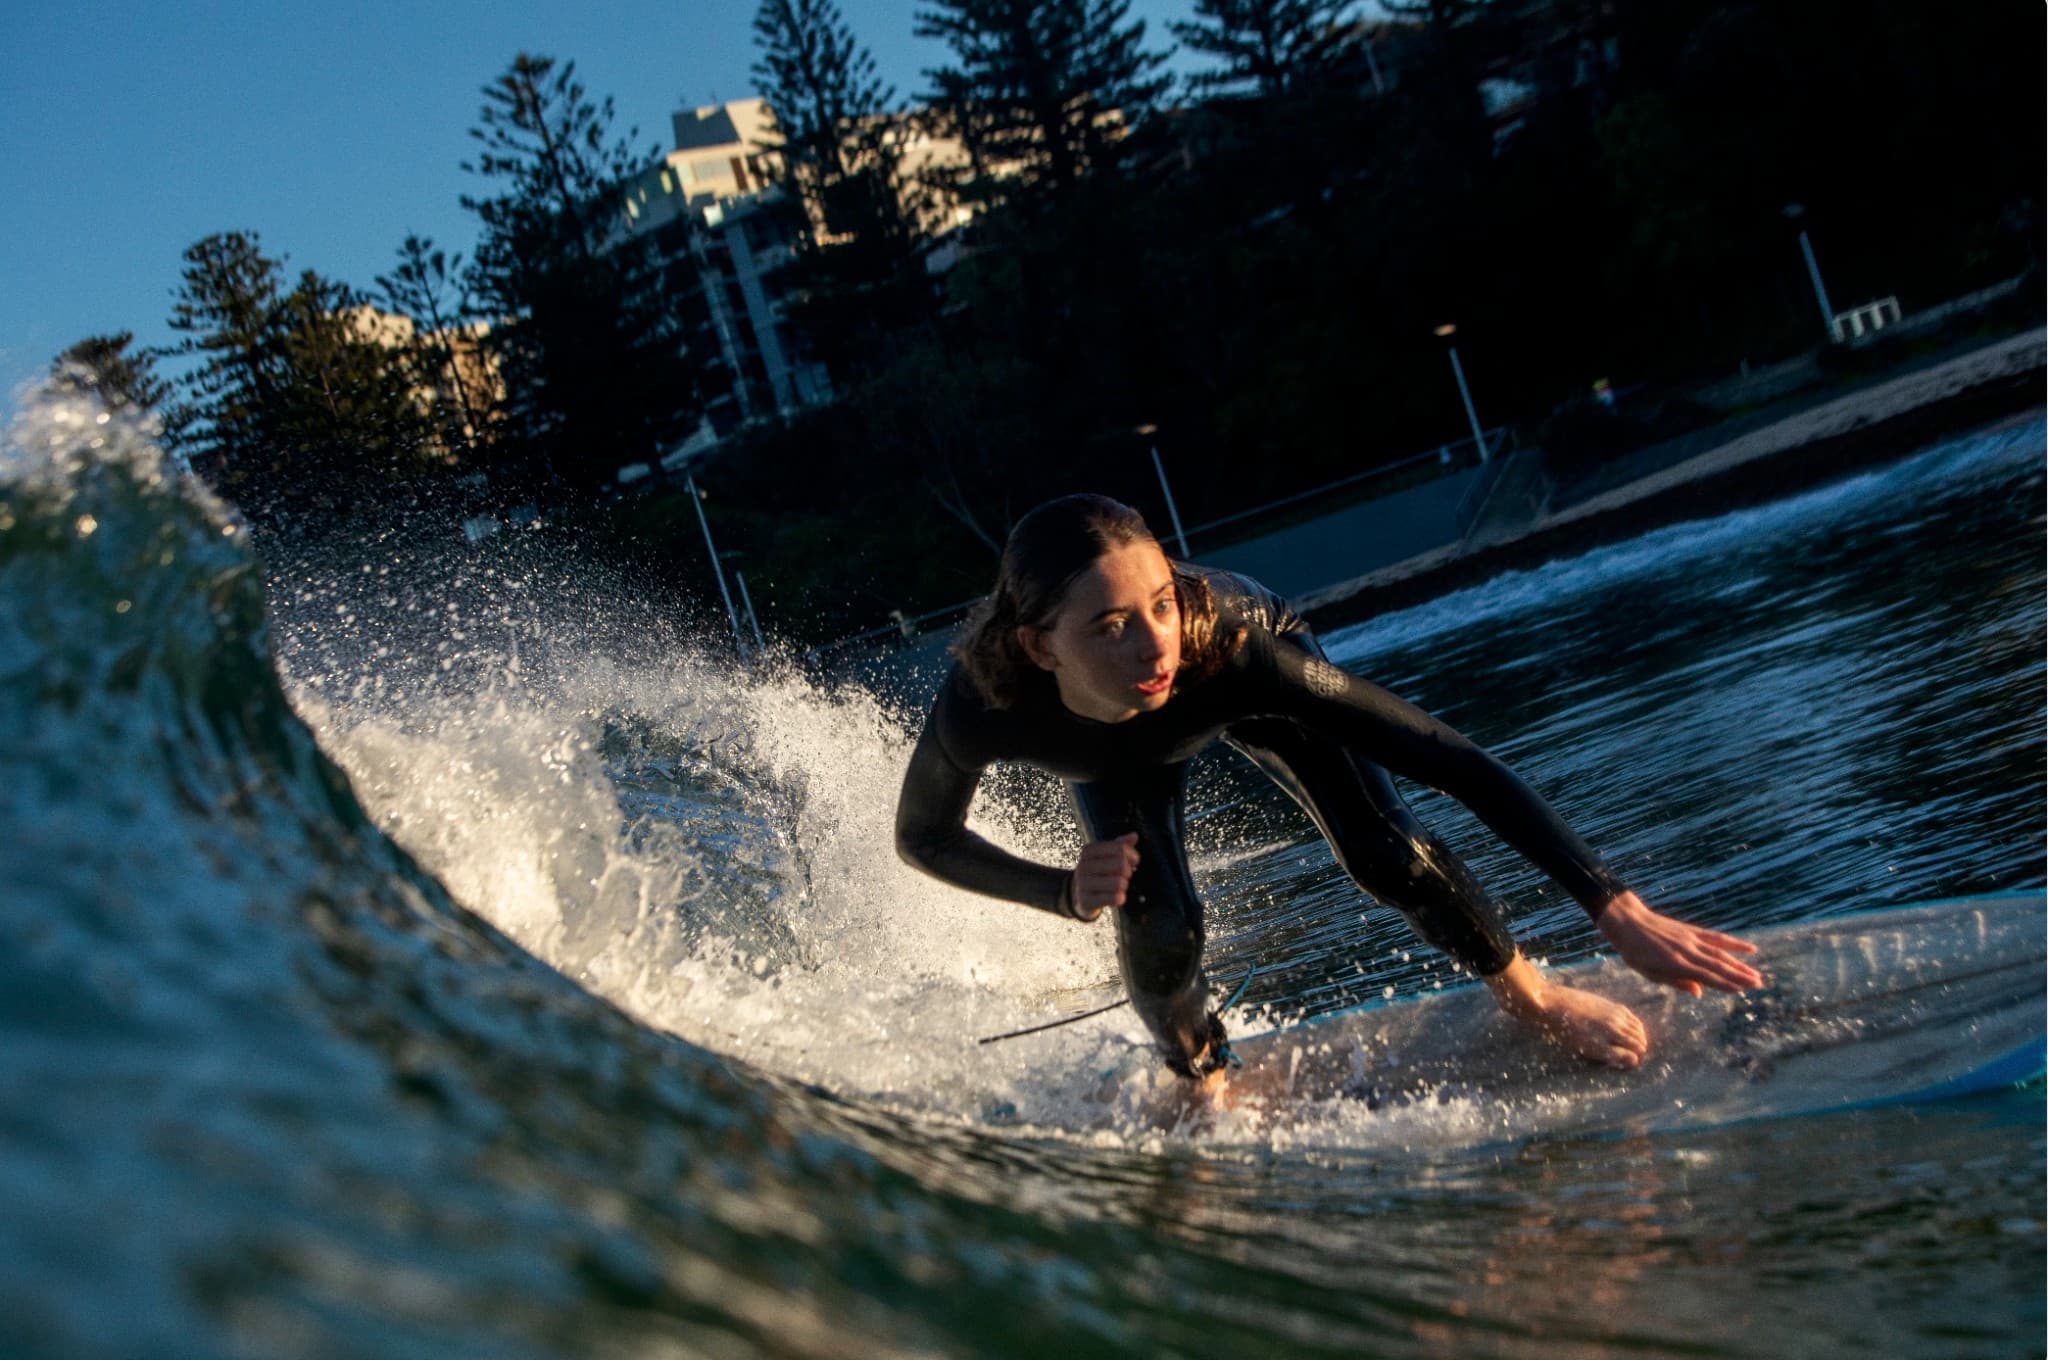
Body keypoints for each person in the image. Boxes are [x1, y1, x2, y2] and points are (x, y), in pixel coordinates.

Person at [895, 494, 1760, 1088]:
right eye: (1111, 627)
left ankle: (1531, 996)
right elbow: (923, 837)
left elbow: (1447, 757)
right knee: (1160, 926)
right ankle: (1203, 1080)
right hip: (1114, 760)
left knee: (1386, 850)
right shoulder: (988, 704)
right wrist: (1056, 891)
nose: (1151, 646)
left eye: (1160, 604)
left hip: (1244, 675)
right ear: (1041, 648)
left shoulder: (1220, 645)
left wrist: (1613, 905)